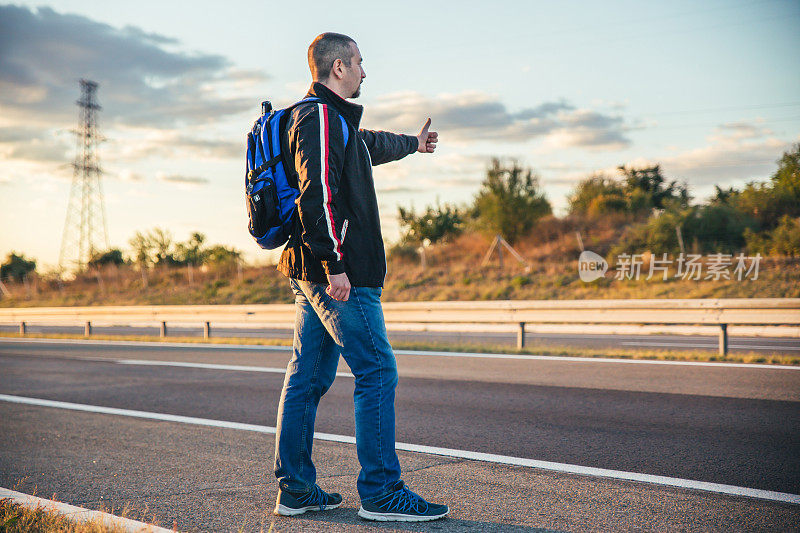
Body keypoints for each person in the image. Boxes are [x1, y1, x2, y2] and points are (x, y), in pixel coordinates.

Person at [272, 32, 448, 522]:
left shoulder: (330, 120)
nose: (365, 71)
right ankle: (381, 491)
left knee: (307, 377)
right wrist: (336, 266)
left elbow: (368, 145)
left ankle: (296, 489)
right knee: (376, 370)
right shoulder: (321, 118)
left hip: (316, 271)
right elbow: (317, 195)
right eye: (359, 63)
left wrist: (412, 144)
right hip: (338, 273)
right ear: (338, 69)